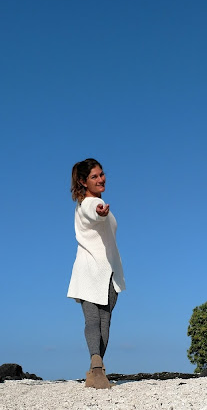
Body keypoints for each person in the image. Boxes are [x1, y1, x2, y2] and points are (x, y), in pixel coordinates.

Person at [67, 158, 126, 389]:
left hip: (107, 271)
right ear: (83, 182)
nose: (101, 179)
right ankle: (98, 370)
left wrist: (102, 212)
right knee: (95, 321)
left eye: (101, 174)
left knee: (103, 322)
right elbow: (94, 211)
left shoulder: (90, 204)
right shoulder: (89, 204)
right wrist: (100, 212)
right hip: (91, 270)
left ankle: (95, 372)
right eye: (94, 176)